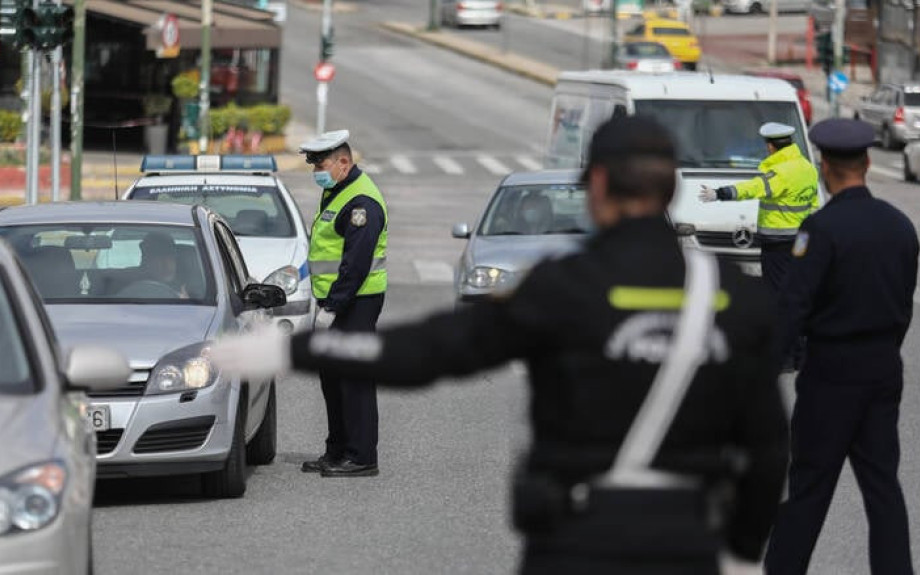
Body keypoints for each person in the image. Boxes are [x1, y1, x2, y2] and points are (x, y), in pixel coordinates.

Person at [212, 117, 789, 574]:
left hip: (574, 540)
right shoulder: (739, 300)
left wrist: (294, 352)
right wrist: (741, 549)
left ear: (598, 187)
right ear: (671, 189)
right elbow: (769, 451)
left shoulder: (564, 288)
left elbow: (432, 351)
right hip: (688, 542)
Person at [765, 119, 917, 575]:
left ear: (824, 167)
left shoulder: (820, 230)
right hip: (882, 370)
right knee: (883, 488)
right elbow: (904, 306)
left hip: (830, 374)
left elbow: (793, 307)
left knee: (808, 486)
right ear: (868, 163)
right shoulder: (900, 227)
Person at [299, 129, 388, 478]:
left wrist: (333, 307)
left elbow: (355, 264)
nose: (315, 172)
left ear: (343, 162)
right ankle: (337, 450)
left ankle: (362, 456)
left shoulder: (360, 203)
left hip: (356, 303)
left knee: (353, 380)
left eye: (320, 164)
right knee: (332, 379)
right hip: (336, 301)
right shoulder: (336, 190)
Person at [698, 122, 819, 294]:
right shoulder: (808, 168)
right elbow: (813, 205)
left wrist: (720, 193)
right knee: (797, 282)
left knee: (776, 288)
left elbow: (753, 188)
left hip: (778, 243)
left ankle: (779, 319)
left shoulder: (781, 172)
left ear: (771, 146)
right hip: (802, 239)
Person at [138, 232, 187, 297]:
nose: (166, 265)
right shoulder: (127, 280)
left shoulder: (193, 291)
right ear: (146, 260)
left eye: (170, 257)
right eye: (157, 257)